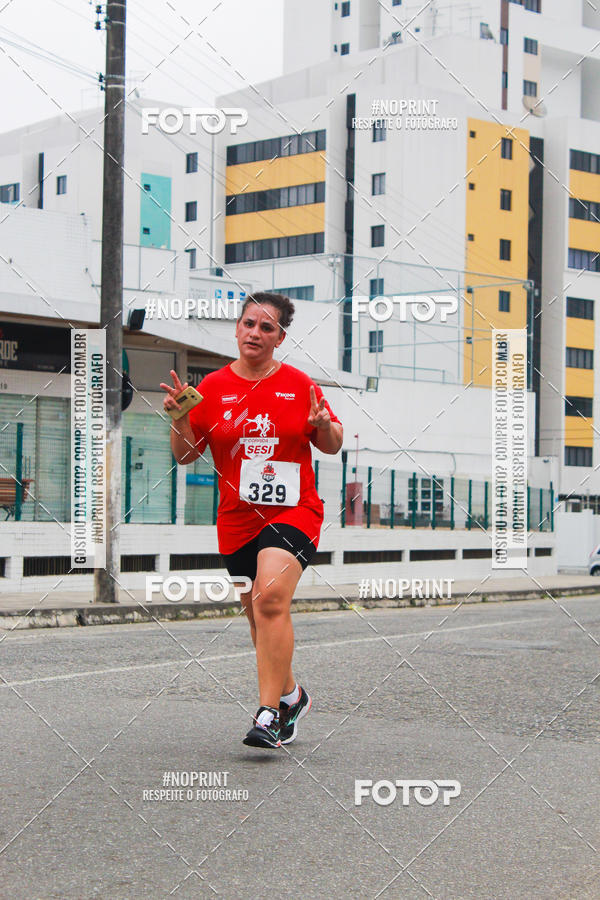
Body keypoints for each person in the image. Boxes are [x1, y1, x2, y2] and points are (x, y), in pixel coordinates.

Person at [160, 292, 343, 749]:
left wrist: (322, 424)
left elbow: (333, 442)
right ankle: (292, 695)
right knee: (259, 618)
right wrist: (180, 419)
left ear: (280, 336)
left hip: (293, 511)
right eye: (248, 324)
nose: (255, 334)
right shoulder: (213, 388)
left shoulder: (300, 385)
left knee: (270, 596)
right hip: (237, 517)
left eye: (267, 328)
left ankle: (269, 714)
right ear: (237, 329)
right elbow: (185, 456)